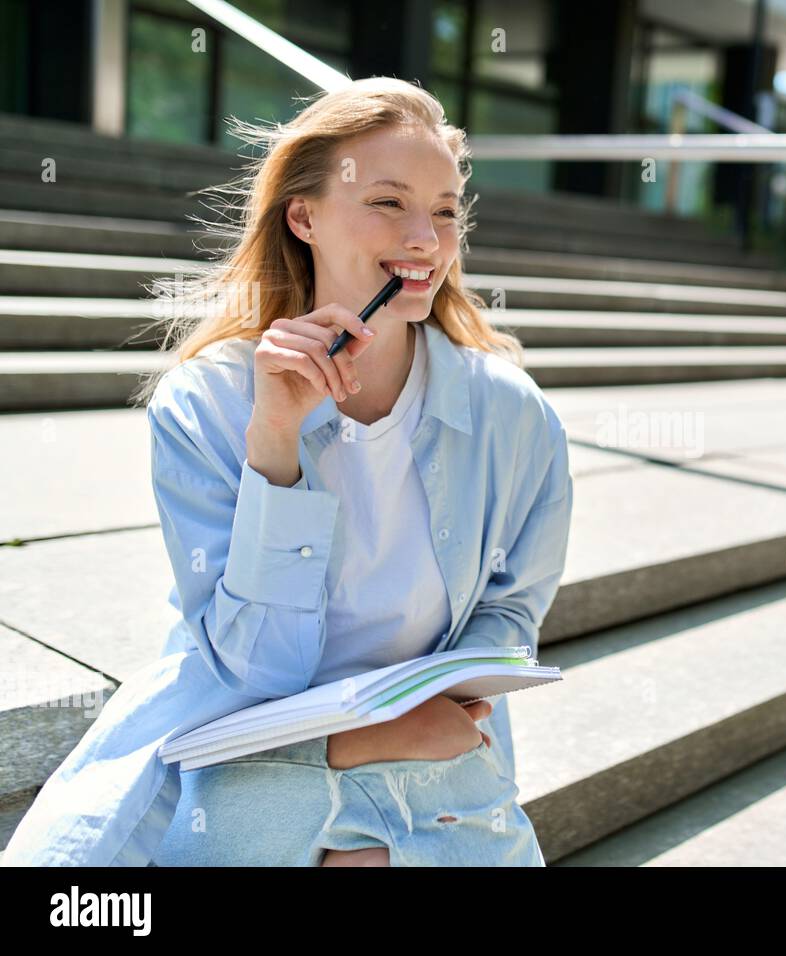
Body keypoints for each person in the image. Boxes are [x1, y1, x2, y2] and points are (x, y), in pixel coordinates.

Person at [1, 77, 573, 867]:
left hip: (433, 738)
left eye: (445, 211)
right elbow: (255, 666)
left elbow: (508, 619)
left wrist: (414, 720)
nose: (425, 240)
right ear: (303, 216)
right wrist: (274, 440)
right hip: (246, 735)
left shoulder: (512, 413)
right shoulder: (205, 402)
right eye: (387, 202)